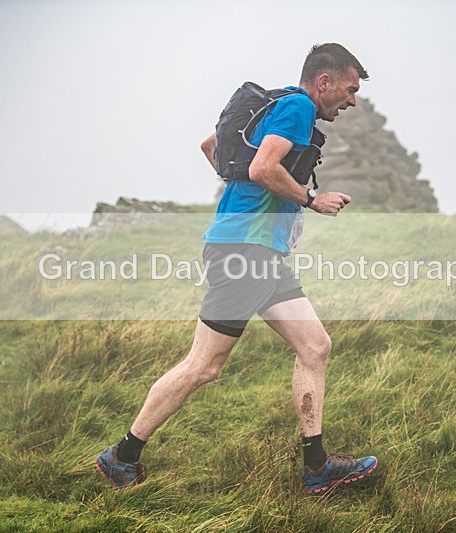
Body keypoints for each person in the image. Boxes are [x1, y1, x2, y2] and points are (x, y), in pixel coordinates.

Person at [95, 43, 377, 494]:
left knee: (316, 346)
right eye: (348, 89)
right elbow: (264, 167)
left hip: (257, 252)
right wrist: (310, 199)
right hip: (244, 252)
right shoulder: (300, 107)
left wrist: (242, 200)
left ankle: (316, 466)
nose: (352, 100)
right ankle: (121, 457)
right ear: (324, 82)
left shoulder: (274, 102)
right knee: (204, 366)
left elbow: (212, 146)